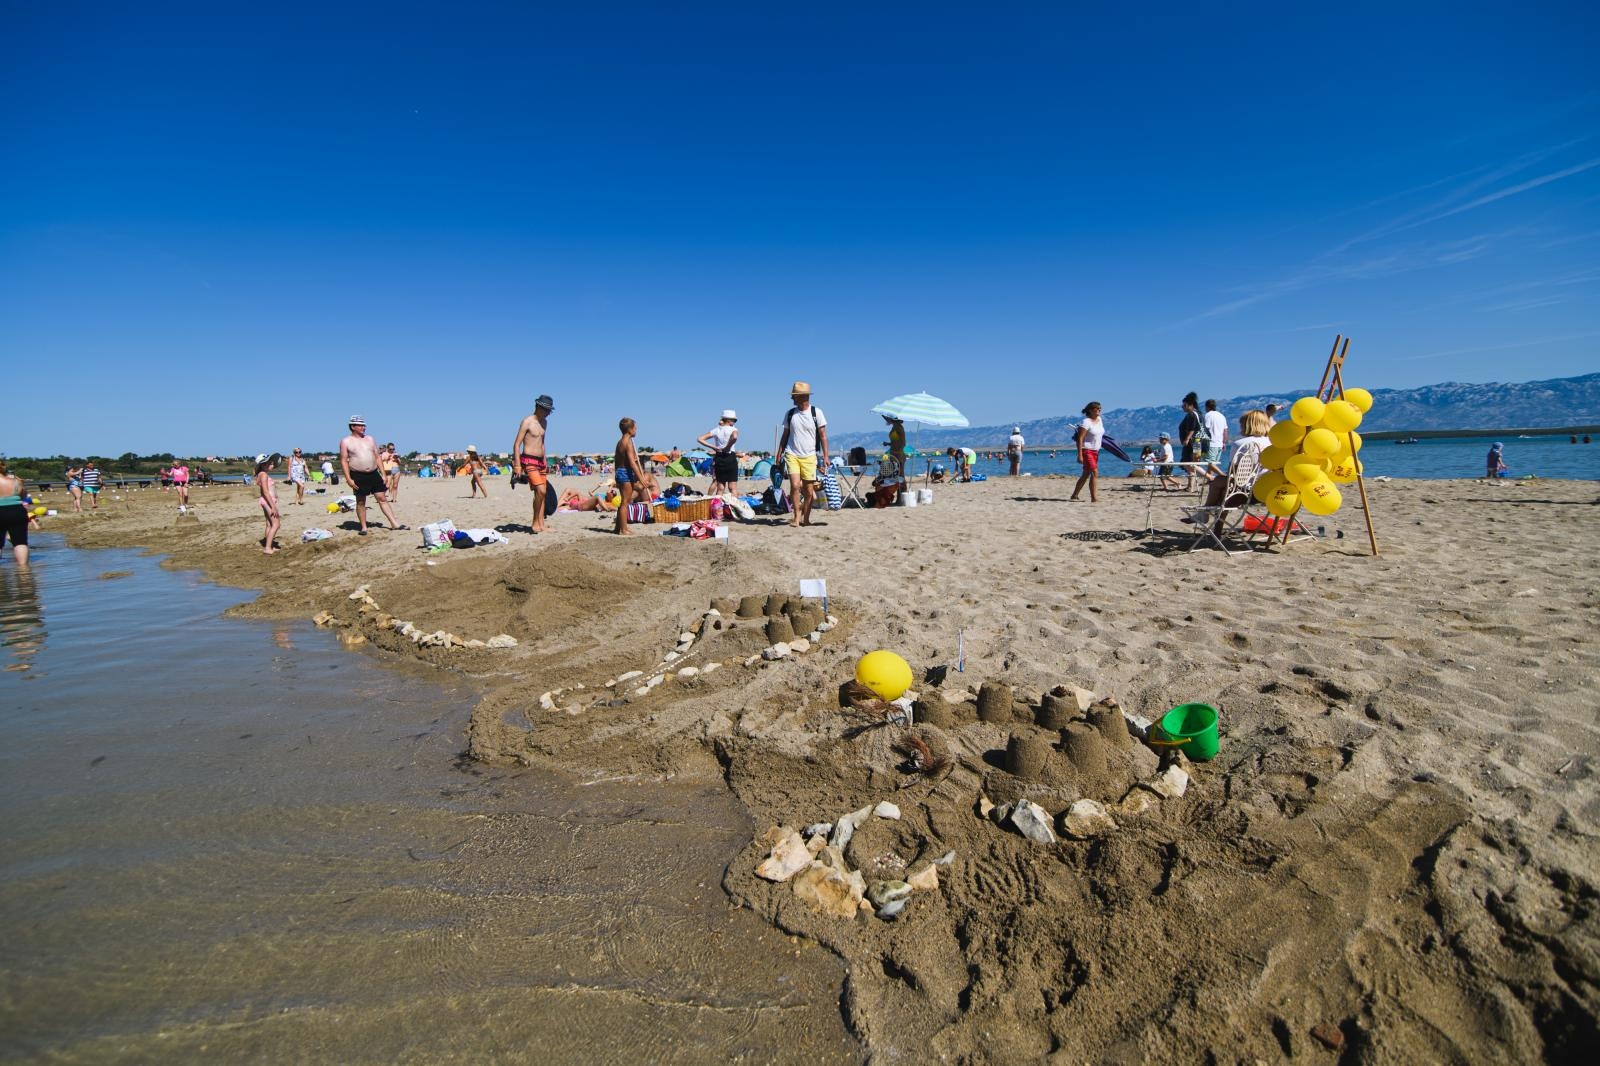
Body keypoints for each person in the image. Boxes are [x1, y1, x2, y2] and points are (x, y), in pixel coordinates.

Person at [339, 416, 404, 535]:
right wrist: (348, 479)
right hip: (358, 475)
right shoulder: (345, 441)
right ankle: (364, 527)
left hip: (374, 474)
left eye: (364, 425)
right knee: (360, 502)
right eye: (360, 425)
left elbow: (377, 456)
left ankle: (395, 524)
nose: (364, 427)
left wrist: (383, 474)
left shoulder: (370, 439)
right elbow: (343, 460)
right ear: (353, 426)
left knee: (382, 498)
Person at [777, 381, 829, 528]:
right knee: (794, 486)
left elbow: (823, 436)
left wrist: (825, 456)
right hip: (792, 453)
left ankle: (806, 518)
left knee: (809, 490)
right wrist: (779, 453)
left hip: (809, 456)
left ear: (803, 397)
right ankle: (796, 516)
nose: (792, 399)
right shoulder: (790, 414)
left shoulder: (816, 413)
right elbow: (785, 435)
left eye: (795, 396)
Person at [512, 395, 555, 534]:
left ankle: (541, 524)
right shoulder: (527, 422)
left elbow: (542, 443)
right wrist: (517, 466)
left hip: (541, 462)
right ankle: (534, 523)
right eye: (547, 410)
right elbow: (517, 444)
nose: (549, 413)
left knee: (541, 493)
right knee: (541, 491)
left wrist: (545, 460)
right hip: (528, 460)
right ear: (539, 407)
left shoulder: (545, 423)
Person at [613, 417, 647, 535]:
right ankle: (624, 529)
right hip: (625, 473)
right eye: (635, 429)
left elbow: (617, 461)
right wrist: (641, 478)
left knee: (624, 501)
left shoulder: (620, 442)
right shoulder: (628, 443)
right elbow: (632, 463)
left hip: (620, 472)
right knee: (625, 502)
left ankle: (618, 528)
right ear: (630, 430)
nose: (636, 431)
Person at [697, 410, 741, 495]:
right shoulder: (733, 429)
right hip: (730, 457)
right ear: (728, 420)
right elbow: (735, 437)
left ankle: (717, 507)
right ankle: (733, 507)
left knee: (720, 487)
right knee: (732, 487)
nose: (734, 422)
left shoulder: (716, 430)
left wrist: (714, 447)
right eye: (734, 420)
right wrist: (727, 447)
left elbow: (700, 439)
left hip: (719, 457)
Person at [1070, 402, 1105, 502]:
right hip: (1087, 450)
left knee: (1086, 474)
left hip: (1096, 451)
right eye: (1097, 408)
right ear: (1090, 410)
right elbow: (1080, 439)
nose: (1099, 410)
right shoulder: (1086, 422)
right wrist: (1079, 454)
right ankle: (1094, 498)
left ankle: (1074, 495)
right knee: (1094, 472)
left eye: (1100, 408)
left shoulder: (1099, 420)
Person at [0, 460, 31, 566]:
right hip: (17, 511)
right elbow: (23, 497)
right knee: (20, 542)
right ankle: (24, 573)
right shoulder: (16, 481)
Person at [254, 453, 281, 555]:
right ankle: (268, 548)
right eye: (270, 463)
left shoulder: (261, 474)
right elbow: (265, 491)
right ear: (263, 464)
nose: (272, 464)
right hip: (268, 501)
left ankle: (269, 545)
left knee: (269, 524)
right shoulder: (263, 475)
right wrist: (273, 506)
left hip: (266, 501)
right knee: (276, 524)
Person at [1177, 393, 1203, 489]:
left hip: (1191, 443)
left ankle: (1209, 477)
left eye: (1184, 405)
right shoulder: (1199, 414)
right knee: (1193, 463)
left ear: (1190, 405)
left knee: (1187, 463)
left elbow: (1192, 428)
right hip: (1197, 443)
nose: (1182, 407)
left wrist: (1187, 439)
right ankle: (1190, 486)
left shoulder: (1192, 414)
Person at [1202, 399, 1229, 466]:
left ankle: (1221, 475)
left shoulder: (1208, 415)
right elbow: (1225, 430)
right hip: (1219, 445)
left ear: (1207, 407)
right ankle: (1214, 476)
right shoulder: (1222, 416)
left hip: (1210, 444)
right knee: (1213, 466)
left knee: (1210, 465)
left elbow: (1205, 430)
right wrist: (1224, 443)